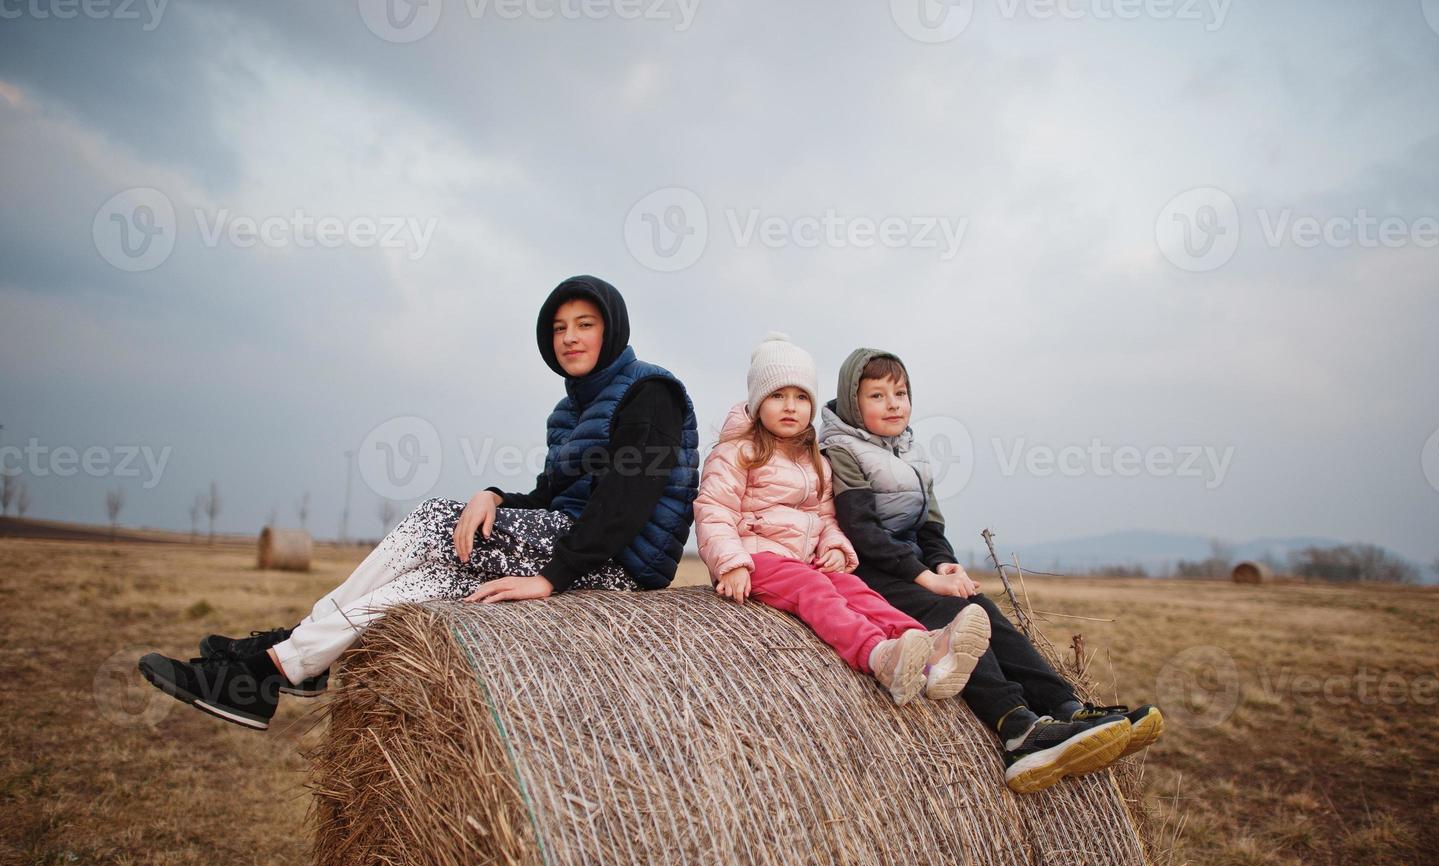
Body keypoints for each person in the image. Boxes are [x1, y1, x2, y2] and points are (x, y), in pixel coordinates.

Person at [138, 275, 699, 730]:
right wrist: (495, 496)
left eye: (585, 324)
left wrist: (551, 578)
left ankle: (281, 656)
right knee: (426, 584)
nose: (569, 337)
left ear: (614, 329)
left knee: (435, 518)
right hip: (566, 543)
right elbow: (552, 496)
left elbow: (627, 501)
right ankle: (288, 661)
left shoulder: (649, 393)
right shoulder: (570, 410)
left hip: (615, 567)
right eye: (558, 328)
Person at [818, 348, 1164, 793]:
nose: (893, 404)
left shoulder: (911, 454)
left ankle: (1066, 706)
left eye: (900, 393)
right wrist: (927, 578)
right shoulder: (841, 449)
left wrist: (944, 561)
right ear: (851, 403)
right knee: (955, 622)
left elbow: (929, 525)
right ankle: (1016, 726)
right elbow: (862, 531)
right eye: (877, 395)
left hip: (913, 565)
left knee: (987, 615)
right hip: (868, 571)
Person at [694, 333, 990, 707]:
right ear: (756, 403)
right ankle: (877, 655)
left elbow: (825, 516)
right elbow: (713, 510)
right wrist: (730, 564)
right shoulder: (736, 452)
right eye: (777, 396)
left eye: (801, 397)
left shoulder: (814, 458)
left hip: (803, 559)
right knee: (814, 590)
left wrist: (834, 546)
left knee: (855, 590)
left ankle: (926, 648)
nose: (791, 407)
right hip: (756, 559)